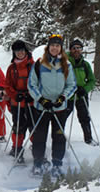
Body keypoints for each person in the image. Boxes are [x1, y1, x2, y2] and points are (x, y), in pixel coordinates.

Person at [28, 34, 77, 177]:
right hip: (42, 107)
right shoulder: (39, 63)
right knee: (39, 137)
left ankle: (57, 164)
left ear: (61, 48)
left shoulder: (67, 65)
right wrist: (41, 99)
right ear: (48, 47)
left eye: (57, 45)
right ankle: (38, 163)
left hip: (59, 108)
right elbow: (31, 84)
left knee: (59, 137)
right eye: (52, 45)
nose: (55, 48)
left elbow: (72, 85)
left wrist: (63, 97)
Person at [5, 40, 35, 160]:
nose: (20, 53)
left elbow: (38, 83)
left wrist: (32, 94)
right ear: (14, 53)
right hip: (17, 102)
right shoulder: (11, 68)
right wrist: (14, 94)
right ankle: (17, 149)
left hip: (31, 101)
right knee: (18, 126)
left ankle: (37, 147)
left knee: (33, 126)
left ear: (26, 51)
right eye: (17, 51)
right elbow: (7, 85)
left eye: (22, 50)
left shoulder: (33, 66)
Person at [67, 39, 96, 144]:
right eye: (74, 48)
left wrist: (85, 89)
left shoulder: (85, 64)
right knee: (61, 117)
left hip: (81, 95)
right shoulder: (65, 62)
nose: (76, 50)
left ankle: (88, 138)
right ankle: (59, 138)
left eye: (79, 48)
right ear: (70, 50)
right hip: (68, 95)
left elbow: (92, 81)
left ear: (82, 50)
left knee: (84, 117)